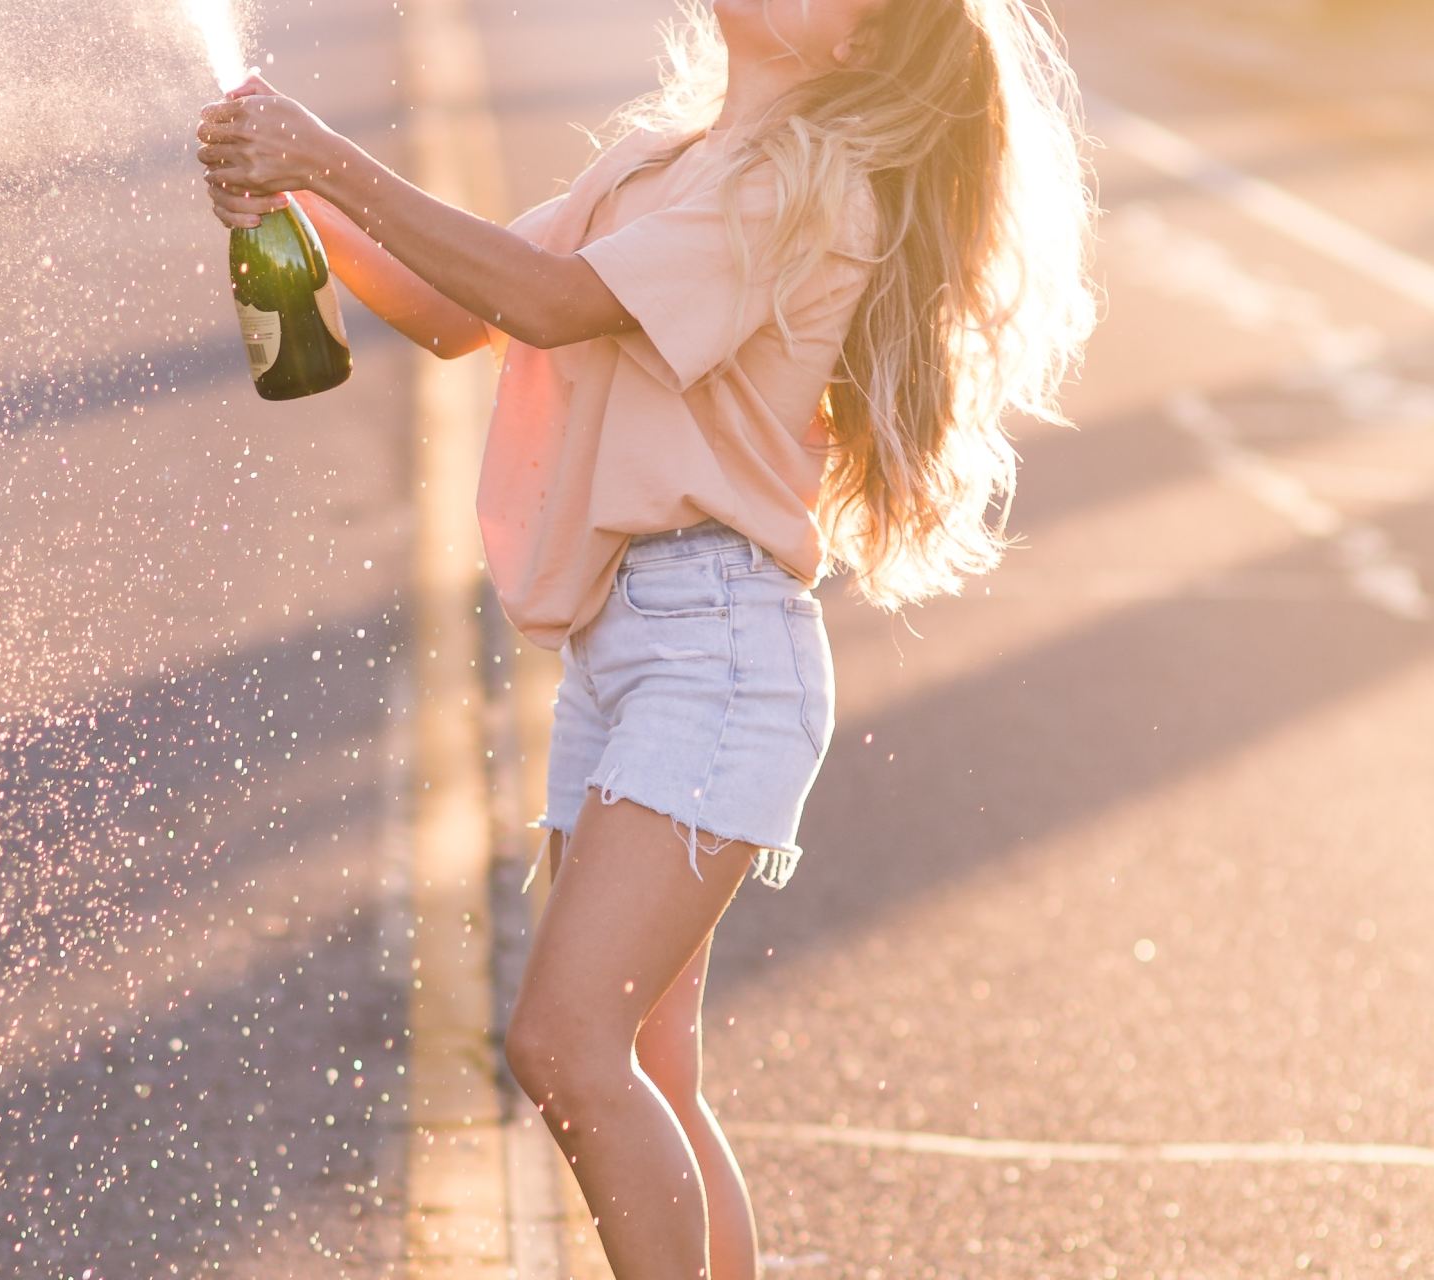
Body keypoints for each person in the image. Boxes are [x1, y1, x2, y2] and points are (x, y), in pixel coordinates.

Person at [195, 0, 1095, 1273]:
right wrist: (295, 203)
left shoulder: (808, 187)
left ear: (859, 43)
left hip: (716, 654)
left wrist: (324, 156)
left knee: (564, 1043)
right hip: (632, 646)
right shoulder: (667, 162)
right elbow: (466, 308)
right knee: (651, 1070)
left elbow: (552, 302)